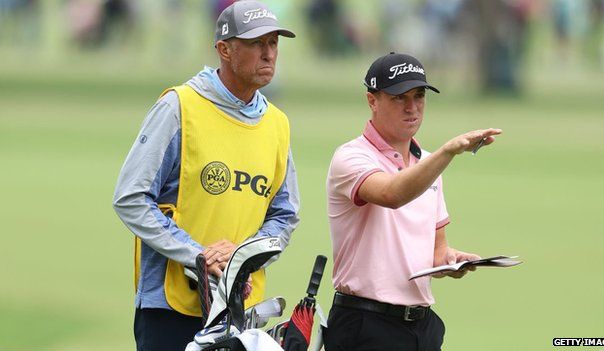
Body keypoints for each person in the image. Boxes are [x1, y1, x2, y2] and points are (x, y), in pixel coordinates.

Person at [112, 1, 299, 350]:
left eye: (273, 43)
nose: (269, 53)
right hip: (170, 308)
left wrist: (241, 256)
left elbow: (285, 215)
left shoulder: (277, 123)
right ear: (224, 50)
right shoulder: (179, 107)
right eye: (257, 43)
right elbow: (131, 197)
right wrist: (199, 255)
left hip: (240, 311)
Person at [324, 52, 502, 351]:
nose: (412, 108)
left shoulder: (429, 164)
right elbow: (392, 194)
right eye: (399, 98)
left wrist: (450, 261)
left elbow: (436, 251)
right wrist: (448, 152)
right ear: (372, 101)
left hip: (421, 326)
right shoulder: (351, 157)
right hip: (365, 323)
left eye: (419, 96)